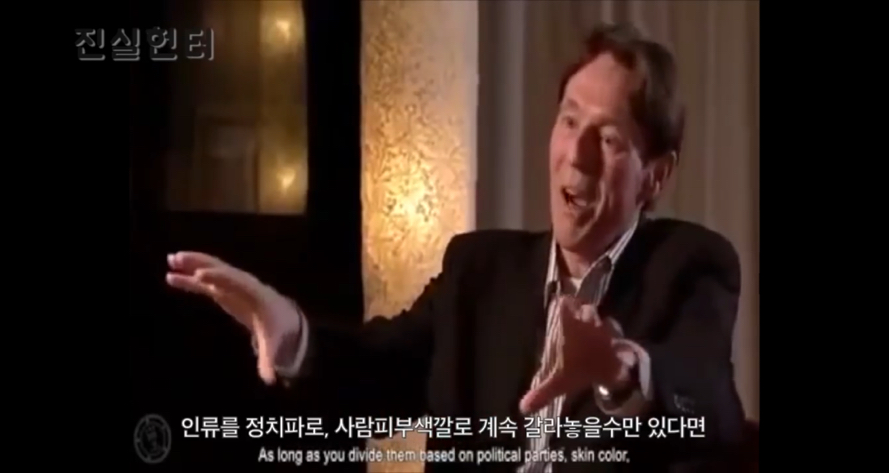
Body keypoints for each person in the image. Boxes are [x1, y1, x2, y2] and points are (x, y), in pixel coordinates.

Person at [167, 23, 745, 473]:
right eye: (569, 122)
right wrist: (289, 329)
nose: (578, 155)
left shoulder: (692, 266)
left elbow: (713, 414)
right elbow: (377, 373)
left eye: (610, 139)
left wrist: (619, 372)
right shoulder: (478, 272)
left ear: (654, 175)